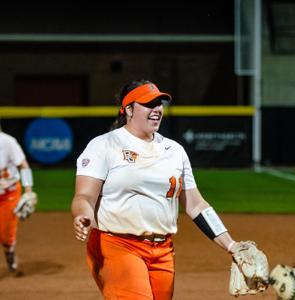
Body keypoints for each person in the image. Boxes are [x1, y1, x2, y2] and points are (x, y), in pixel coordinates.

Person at [71, 79, 267, 300]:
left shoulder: (174, 151)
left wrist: (232, 245)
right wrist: (83, 215)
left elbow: (196, 204)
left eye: (159, 103)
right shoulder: (104, 145)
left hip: (163, 251)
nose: (156, 109)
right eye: (148, 103)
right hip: (116, 245)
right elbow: (84, 195)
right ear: (128, 110)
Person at [0, 127, 36, 274]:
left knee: (5, 234)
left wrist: (28, 191)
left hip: (9, 194)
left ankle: (10, 251)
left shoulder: (7, 142)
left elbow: (24, 165)